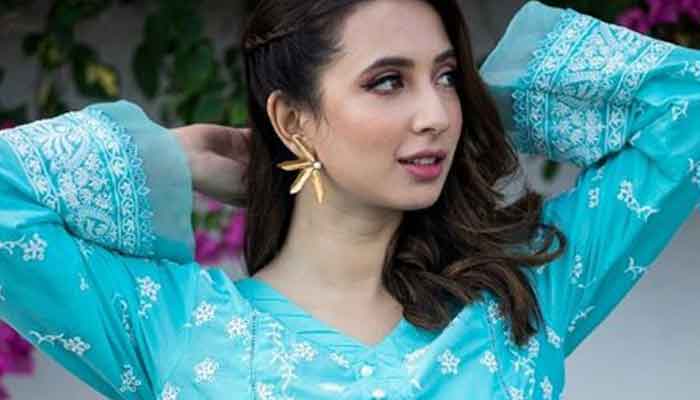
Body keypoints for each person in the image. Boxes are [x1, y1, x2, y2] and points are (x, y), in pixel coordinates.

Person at [0, 0, 698, 398]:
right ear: (292, 120)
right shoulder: (174, 326)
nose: (435, 114)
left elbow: (686, 110)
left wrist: (486, 104)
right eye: (388, 82)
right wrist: (170, 157)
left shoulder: (521, 298)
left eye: (446, 77)